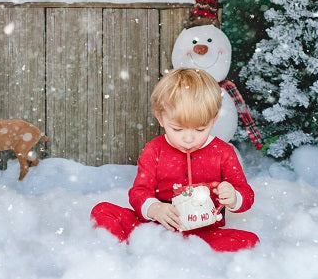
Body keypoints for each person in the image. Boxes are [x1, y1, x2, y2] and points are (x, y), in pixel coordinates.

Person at [90, 68, 259, 252]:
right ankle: (128, 251)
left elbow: (246, 194)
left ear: (214, 119)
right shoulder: (154, 150)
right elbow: (139, 191)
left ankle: (183, 251)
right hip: (156, 227)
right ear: (160, 117)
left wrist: (234, 197)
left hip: (203, 233)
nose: (189, 138)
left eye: (199, 129)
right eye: (178, 129)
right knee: (102, 210)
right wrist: (154, 208)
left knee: (250, 240)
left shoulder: (223, 152)